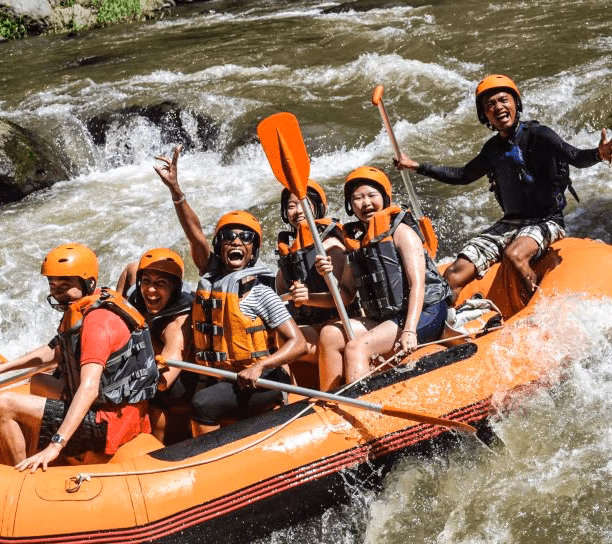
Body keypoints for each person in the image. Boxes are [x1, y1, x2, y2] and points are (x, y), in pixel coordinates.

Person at [395, 73, 612, 303]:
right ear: (485, 115)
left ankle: (538, 308)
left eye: (503, 100)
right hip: (510, 222)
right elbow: (462, 175)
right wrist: (417, 166)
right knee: (453, 274)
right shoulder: (492, 149)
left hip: (547, 220)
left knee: (515, 256)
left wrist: (598, 154)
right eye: (490, 104)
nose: (498, 107)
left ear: (515, 104)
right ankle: (449, 327)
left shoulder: (539, 135)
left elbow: (575, 156)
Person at [154, 145, 307, 435]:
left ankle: (207, 460)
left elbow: (297, 344)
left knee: (203, 404)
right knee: (164, 392)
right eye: (228, 237)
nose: (236, 242)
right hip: (216, 373)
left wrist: (261, 366)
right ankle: (160, 454)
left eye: (245, 238)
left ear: (253, 252)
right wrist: (176, 191)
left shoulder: (261, 293)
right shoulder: (210, 275)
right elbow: (194, 232)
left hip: (262, 379)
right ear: (220, 247)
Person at [0, 244, 158, 471]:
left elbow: (89, 389)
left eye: (65, 286)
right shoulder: (87, 306)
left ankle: (20, 482)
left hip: (110, 422)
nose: (57, 293)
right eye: (53, 286)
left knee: (4, 404)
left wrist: (55, 445)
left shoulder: (97, 322)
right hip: (111, 408)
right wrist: (1, 368)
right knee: (39, 382)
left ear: (88, 283)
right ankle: (36, 452)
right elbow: (55, 352)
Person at [317, 167, 451, 390]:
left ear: (384, 198)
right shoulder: (358, 242)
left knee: (356, 348)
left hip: (423, 311)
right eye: (357, 198)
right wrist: (326, 275)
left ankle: (362, 410)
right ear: (351, 205)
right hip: (386, 317)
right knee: (330, 334)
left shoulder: (401, 232)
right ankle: (328, 402)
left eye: (371, 196)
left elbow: (418, 284)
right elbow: (347, 295)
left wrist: (409, 330)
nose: (365, 203)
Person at [274, 179, 350, 370]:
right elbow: (282, 299)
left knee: (327, 336)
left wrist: (308, 298)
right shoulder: (290, 253)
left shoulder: (332, 246)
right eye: (291, 206)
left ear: (318, 207)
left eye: (305, 204)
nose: (298, 211)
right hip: (313, 326)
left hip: (340, 326)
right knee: (277, 335)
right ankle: (285, 396)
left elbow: (345, 297)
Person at [123, 247, 194, 445]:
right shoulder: (135, 292)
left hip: (179, 381)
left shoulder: (178, 323)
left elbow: (164, 381)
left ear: (174, 289)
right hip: (147, 362)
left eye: (160, 284)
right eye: (146, 281)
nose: (151, 290)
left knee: (161, 399)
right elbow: (131, 269)